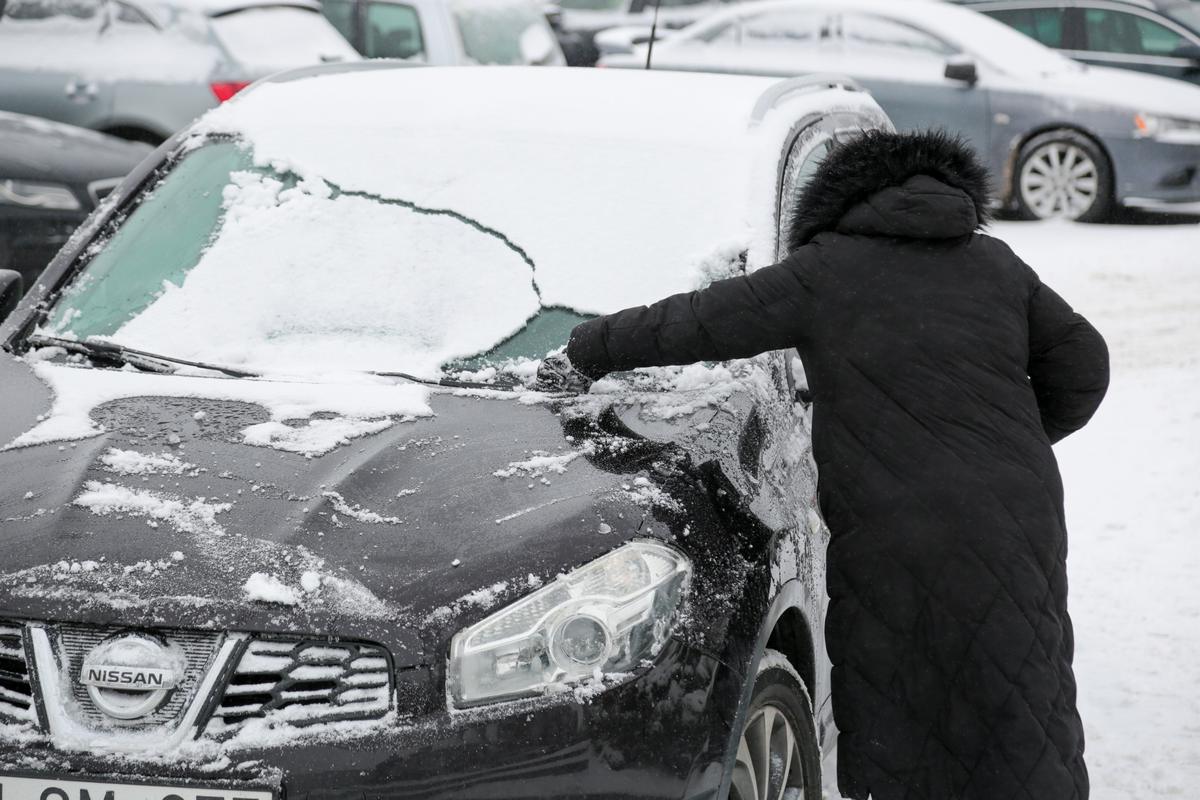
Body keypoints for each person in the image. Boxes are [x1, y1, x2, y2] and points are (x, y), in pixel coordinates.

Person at [538, 130, 1109, 800]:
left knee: (902, 690)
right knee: (1017, 681)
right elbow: (1085, 364)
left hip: (896, 523)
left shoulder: (828, 271)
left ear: (838, 199)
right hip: (1015, 511)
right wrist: (1011, 440)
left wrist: (584, 349)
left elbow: (698, 320)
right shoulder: (996, 264)